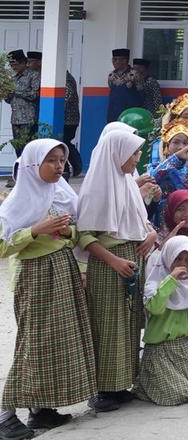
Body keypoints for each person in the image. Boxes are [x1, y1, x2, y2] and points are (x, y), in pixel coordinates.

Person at [0, 140, 95, 438]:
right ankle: (5, 415)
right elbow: (3, 246)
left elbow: (71, 234)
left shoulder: (60, 194)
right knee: (33, 342)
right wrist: (35, 230)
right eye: (51, 160)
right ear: (32, 165)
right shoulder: (16, 203)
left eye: (61, 160)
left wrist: (68, 232)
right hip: (36, 276)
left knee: (55, 342)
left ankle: (41, 409)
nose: (59, 167)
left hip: (61, 270)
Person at [77, 130, 156, 413]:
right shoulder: (96, 187)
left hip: (133, 259)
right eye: (133, 153)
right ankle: (102, 389)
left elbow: (140, 222)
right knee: (108, 325)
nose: (137, 159)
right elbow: (84, 236)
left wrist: (150, 234)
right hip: (110, 266)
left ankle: (121, 383)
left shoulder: (125, 184)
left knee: (129, 323)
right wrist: (114, 261)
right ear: (117, 154)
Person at [134, 236, 188, 406]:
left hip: (184, 348)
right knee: (177, 394)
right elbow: (155, 308)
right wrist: (171, 280)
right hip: (160, 350)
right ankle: (145, 385)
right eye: (178, 258)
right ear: (168, 259)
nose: (183, 264)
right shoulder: (156, 284)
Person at [4, 51, 38, 178]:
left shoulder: (33, 75)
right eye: (11, 65)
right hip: (15, 118)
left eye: (15, 64)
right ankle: (20, 175)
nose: (13, 67)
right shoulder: (14, 78)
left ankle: (29, 176)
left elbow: (34, 95)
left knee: (27, 148)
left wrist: (16, 91)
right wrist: (7, 93)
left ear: (24, 62)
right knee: (18, 147)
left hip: (28, 118)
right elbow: (9, 100)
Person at [106, 48, 142, 123]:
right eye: (113, 59)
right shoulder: (111, 75)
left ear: (124, 60)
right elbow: (111, 90)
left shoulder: (134, 74)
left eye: (116, 59)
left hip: (130, 115)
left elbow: (141, 92)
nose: (113, 62)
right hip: (114, 114)